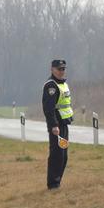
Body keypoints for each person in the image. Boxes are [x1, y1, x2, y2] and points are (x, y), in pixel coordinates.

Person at [41, 58, 73, 190]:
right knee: (57, 155)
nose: (61, 71)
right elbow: (48, 108)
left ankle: (57, 181)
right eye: (59, 69)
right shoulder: (51, 86)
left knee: (63, 155)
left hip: (63, 123)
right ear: (52, 69)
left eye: (63, 69)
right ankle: (53, 184)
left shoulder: (63, 84)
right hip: (56, 126)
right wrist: (54, 125)